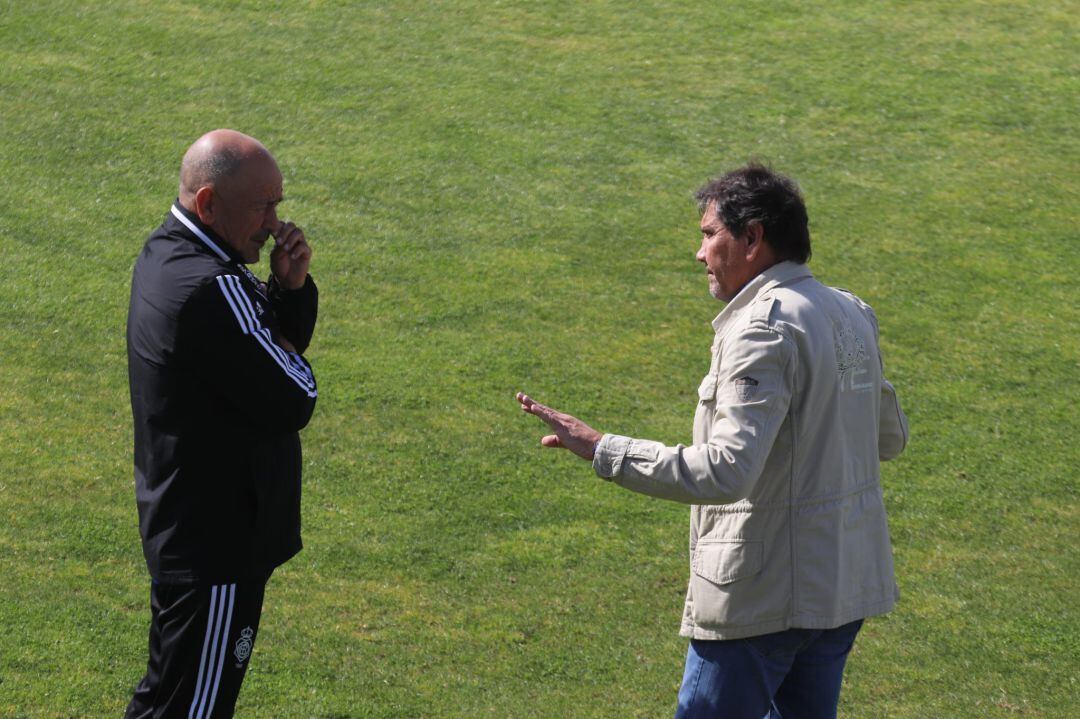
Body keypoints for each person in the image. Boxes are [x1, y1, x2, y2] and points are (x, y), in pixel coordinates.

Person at [517, 164, 908, 719]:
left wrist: (603, 447)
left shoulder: (761, 327)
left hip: (764, 597)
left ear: (751, 238)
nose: (699, 254)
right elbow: (888, 438)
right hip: (843, 585)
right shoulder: (850, 313)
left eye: (708, 235)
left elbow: (727, 472)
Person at [125, 129, 318, 718]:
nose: (274, 222)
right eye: (263, 206)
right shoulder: (214, 287)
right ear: (208, 203)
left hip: (191, 531)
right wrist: (280, 319)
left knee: (172, 699)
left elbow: (268, 360)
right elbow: (295, 395)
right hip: (217, 548)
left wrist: (289, 291)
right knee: (191, 711)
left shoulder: (167, 255)